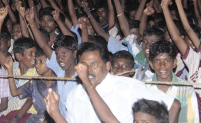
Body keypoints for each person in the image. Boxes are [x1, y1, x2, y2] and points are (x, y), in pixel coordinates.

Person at [44, 42, 180, 123]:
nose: (88, 69)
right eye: (84, 64)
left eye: (94, 64)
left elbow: (173, 104)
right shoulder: (75, 94)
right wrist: (55, 112)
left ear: (108, 66)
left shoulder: (128, 87)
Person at [146, 40, 199, 122]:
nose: (162, 65)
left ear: (174, 63)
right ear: (151, 64)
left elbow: (194, 119)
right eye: (157, 61)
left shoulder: (186, 88)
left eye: (167, 60)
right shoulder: (144, 87)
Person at [4, 47, 57, 123]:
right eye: (36, 61)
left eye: (41, 62)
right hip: (36, 119)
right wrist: (10, 70)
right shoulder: (35, 82)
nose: (37, 65)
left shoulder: (60, 82)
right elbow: (14, 92)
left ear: (51, 62)